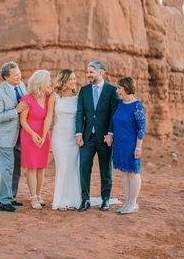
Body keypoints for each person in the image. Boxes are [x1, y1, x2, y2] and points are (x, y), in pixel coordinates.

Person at [75, 60, 118, 212]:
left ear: (100, 72)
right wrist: (79, 133)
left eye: (91, 72)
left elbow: (114, 113)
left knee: (106, 170)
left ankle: (105, 199)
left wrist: (111, 133)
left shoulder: (112, 90)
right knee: (84, 167)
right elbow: (80, 112)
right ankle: (85, 199)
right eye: (87, 72)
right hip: (87, 137)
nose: (88, 75)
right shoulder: (84, 90)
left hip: (105, 137)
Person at [0, 61, 28, 212]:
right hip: (5, 137)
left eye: (19, 73)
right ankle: (3, 201)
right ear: (6, 77)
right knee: (7, 168)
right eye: (16, 75)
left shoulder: (22, 85)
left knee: (16, 168)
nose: (19, 76)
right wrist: (16, 111)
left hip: (20, 135)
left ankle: (11, 196)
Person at [42, 69, 81, 211]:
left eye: (74, 79)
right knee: (63, 167)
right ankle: (61, 200)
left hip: (74, 137)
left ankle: (74, 200)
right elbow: (48, 117)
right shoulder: (55, 96)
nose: (73, 82)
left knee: (73, 167)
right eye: (70, 79)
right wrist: (43, 134)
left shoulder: (78, 97)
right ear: (63, 80)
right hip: (59, 137)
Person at [112, 77, 146, 214]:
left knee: (133, 172)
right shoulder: (119, 104)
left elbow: (141, 128)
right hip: (119, 144)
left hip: (131, 144)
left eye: (119, 87)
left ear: (126, 88)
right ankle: (127, 202)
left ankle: (133, 203)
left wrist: (138, 147)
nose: (117, 90)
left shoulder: (137, 105)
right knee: (123, 173)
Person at [20, 70, 52, 210]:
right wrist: (33, 134)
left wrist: (43, 136)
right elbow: (23, 121)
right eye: (48, 81)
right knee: (32, 167)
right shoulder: (27, 99)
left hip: (44, 134)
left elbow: (48, 118)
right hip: (29, 135)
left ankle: (39, 195)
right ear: (41, 83)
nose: (50, 84)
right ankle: (33, 197)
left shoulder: (48, 98)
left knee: (41, 168)